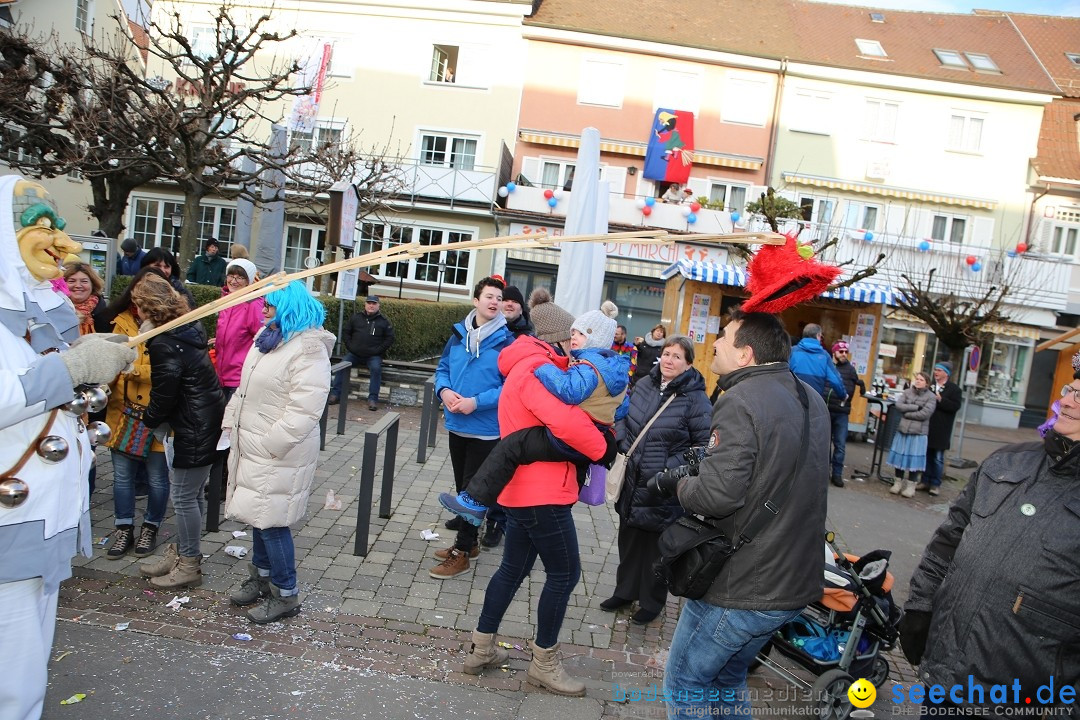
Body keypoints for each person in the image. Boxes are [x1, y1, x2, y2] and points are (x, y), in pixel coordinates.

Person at [0, 175, 136, 720]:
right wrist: (75, 366)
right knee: (12, 674)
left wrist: (86, 359)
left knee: (28, 667)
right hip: (10, 525)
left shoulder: (33, 306)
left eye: (58, 226)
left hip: (40, 519)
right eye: (40, 227)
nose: (64, 242)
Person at [653, 308, 829, 719]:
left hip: (743, 584)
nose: (713, 343)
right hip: (794, 580)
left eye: (724, 337)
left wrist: (675, 483)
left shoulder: (741, 400)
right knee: (726, 682)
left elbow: (716, 496)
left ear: (746, 354)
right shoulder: (812, 398)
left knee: (685, 686)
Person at [899, 371, 1080, 714]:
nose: (1067, 400)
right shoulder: (1009, 461)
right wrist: (920, 606)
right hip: (946, 676)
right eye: (1069, 390)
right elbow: (947, 542)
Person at [460, 293, 611, 697]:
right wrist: (603, 449)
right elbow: (565, 422)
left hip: (523, 490)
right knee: (565, 573)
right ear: (558, 338)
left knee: (512, 569)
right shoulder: (535, 366)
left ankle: (481, 649)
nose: (575, 343)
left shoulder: (525, 363)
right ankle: (544, 663)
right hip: (540, 491)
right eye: (572, 336)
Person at [438, 301, 628, 525]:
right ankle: (474, 503)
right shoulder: (613, 366)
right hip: (543, 486)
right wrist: (606, 429)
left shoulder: (579, 366)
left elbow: (569, 396)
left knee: (511, 446)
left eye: (579, 333)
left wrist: (544, 368)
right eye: (571, 333)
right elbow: (622, 406)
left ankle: (475, 501)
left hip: (545, 487)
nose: (573, 338)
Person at [224, 281, 333, 624]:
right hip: (254, 444)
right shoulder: (269, 339)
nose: (263, 309)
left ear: (289, 306)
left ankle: (286, 593)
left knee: (272, 521)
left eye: (270, 303)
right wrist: (231, 423)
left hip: (278, 451)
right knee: (258, 513)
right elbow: (244, 392)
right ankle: (261, 578)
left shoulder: (307, 348)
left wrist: (272, 444)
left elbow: (306, 408)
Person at [605, 335, 711, 625]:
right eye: (667, 354)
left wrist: (667, 468)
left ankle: (651, 602)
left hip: (663, 487)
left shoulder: (696, 399)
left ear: (689, 363)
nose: (669, 360)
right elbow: (621, 414)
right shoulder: (643, 384)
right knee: (629, 539)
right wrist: (623, 441)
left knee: (656, 549)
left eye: (677, 356)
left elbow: (703, 447)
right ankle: (624, 591)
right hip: (632, 478)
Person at [132, 273, 225, 589]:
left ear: (149, 308)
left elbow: (165, 392)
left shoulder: (164, 341)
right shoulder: (187, 326)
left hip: (193, 425)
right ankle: (183, 553)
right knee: (193, 494)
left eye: (138, 306)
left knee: (184, 496)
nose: (136, 312)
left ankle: (189, 565)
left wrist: (147, 419)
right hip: (204, 419)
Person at [429, 277, 515, 577]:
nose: (494, 301)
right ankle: (472, 544)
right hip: (457, 425)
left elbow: (510, 387)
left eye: (498, 297)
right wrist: (444, 391)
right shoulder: (457, 335)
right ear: (476, 301)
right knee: (464, 489)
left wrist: (475, 402)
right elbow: (442, 370)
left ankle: (463, 551)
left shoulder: (507, 342)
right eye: (489, 296)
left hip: (486, 430)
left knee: (471, 495)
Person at [100, 269, 172, 561]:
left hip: (157, 416)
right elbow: (110, 365)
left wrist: (135, 370)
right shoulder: (120, 323)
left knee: (157, 478)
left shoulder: (172, 327)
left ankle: (150, 526)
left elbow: (169, 373)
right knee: (122, 477)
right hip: (123, 413)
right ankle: (123, 528)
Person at [207, 259, 264, 505]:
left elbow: (260, 339)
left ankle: (227, 483)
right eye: (231, 275)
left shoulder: (253, 303)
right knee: (220, 430)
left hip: (238, 378)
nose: (234, 281)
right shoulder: (226, 301)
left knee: (230, 434)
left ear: (249, 280)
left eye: (240, 277)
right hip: (221, 374)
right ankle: (220, 479)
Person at [330, 295, 394, 411]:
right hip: (354, 354)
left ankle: (373, 399)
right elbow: (346, 332)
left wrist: (378, 350)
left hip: (373, 356)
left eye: (374, 303)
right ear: (365, 304)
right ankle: (335, 394)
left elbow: (389, 339)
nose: (371, 305)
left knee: (376, 369)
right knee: (342, 365)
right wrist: (351, 346)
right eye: (369, 303)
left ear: (378, 306)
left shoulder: (383, 322)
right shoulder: (356, 318)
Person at [887, 371, 937, 498]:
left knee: (913, 460)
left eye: (921, 379)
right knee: (900, 457)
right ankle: (897, 483)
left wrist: (907, 413)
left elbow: (925, 414)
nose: (918, 381)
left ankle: (911, 486)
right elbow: (899, 405)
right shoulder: (907, 392)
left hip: (918, 432)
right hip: (903, 429)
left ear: (927, 383)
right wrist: (915, 408)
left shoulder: (931, 397)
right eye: (917, 379)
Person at [825, 340, 865, 488]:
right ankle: (824, 473)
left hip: (842, 411)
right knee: (825, 444)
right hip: (827, 409)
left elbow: (857, 382)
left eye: (845, 352)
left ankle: (837, 474)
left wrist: (861, 386)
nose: (844, 354)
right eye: (841, 351)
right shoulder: (828, 364)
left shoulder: (850, 369)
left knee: (840, 445)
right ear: (834, 352)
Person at [919, 362, 962, 496]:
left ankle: (935, 484)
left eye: (939, 370)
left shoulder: (954, 389)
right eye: (935, 370)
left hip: (942, 428)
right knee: (926, 455)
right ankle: (924, 480)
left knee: (937, 458)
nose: (936, 372)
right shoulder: (930, 386)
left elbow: (955, 406)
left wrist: (941, 400)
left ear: (946, 373)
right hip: (928, 426)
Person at [789, 323, 846, 405]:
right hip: (815, 402)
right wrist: (843, 395)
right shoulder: (824, 356)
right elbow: (835, 380)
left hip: (794, 400)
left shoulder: (792, 352)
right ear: (818, 336)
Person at [63, 261, 110, 334]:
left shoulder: (105, 313)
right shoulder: (52, 310)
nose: (78, 285)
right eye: (71, 281)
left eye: (84, 281)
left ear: (93, 285)